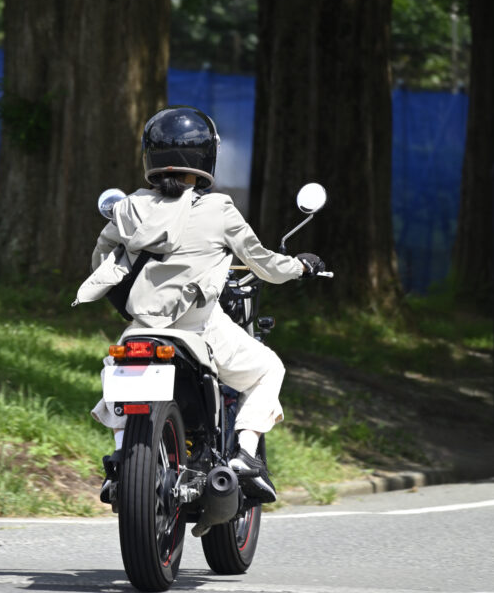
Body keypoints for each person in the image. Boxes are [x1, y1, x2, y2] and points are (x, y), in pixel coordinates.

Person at [75, 105, 325, 502]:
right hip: (198, 326)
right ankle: (244, 453)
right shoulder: (218, 208)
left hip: (142, 328)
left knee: (118, 379)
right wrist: (300, 266)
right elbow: (263, 264)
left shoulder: (127, 208)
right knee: (267, 368)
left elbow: (101, 267)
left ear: (150, 155)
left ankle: (123, 457)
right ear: (207, 156)